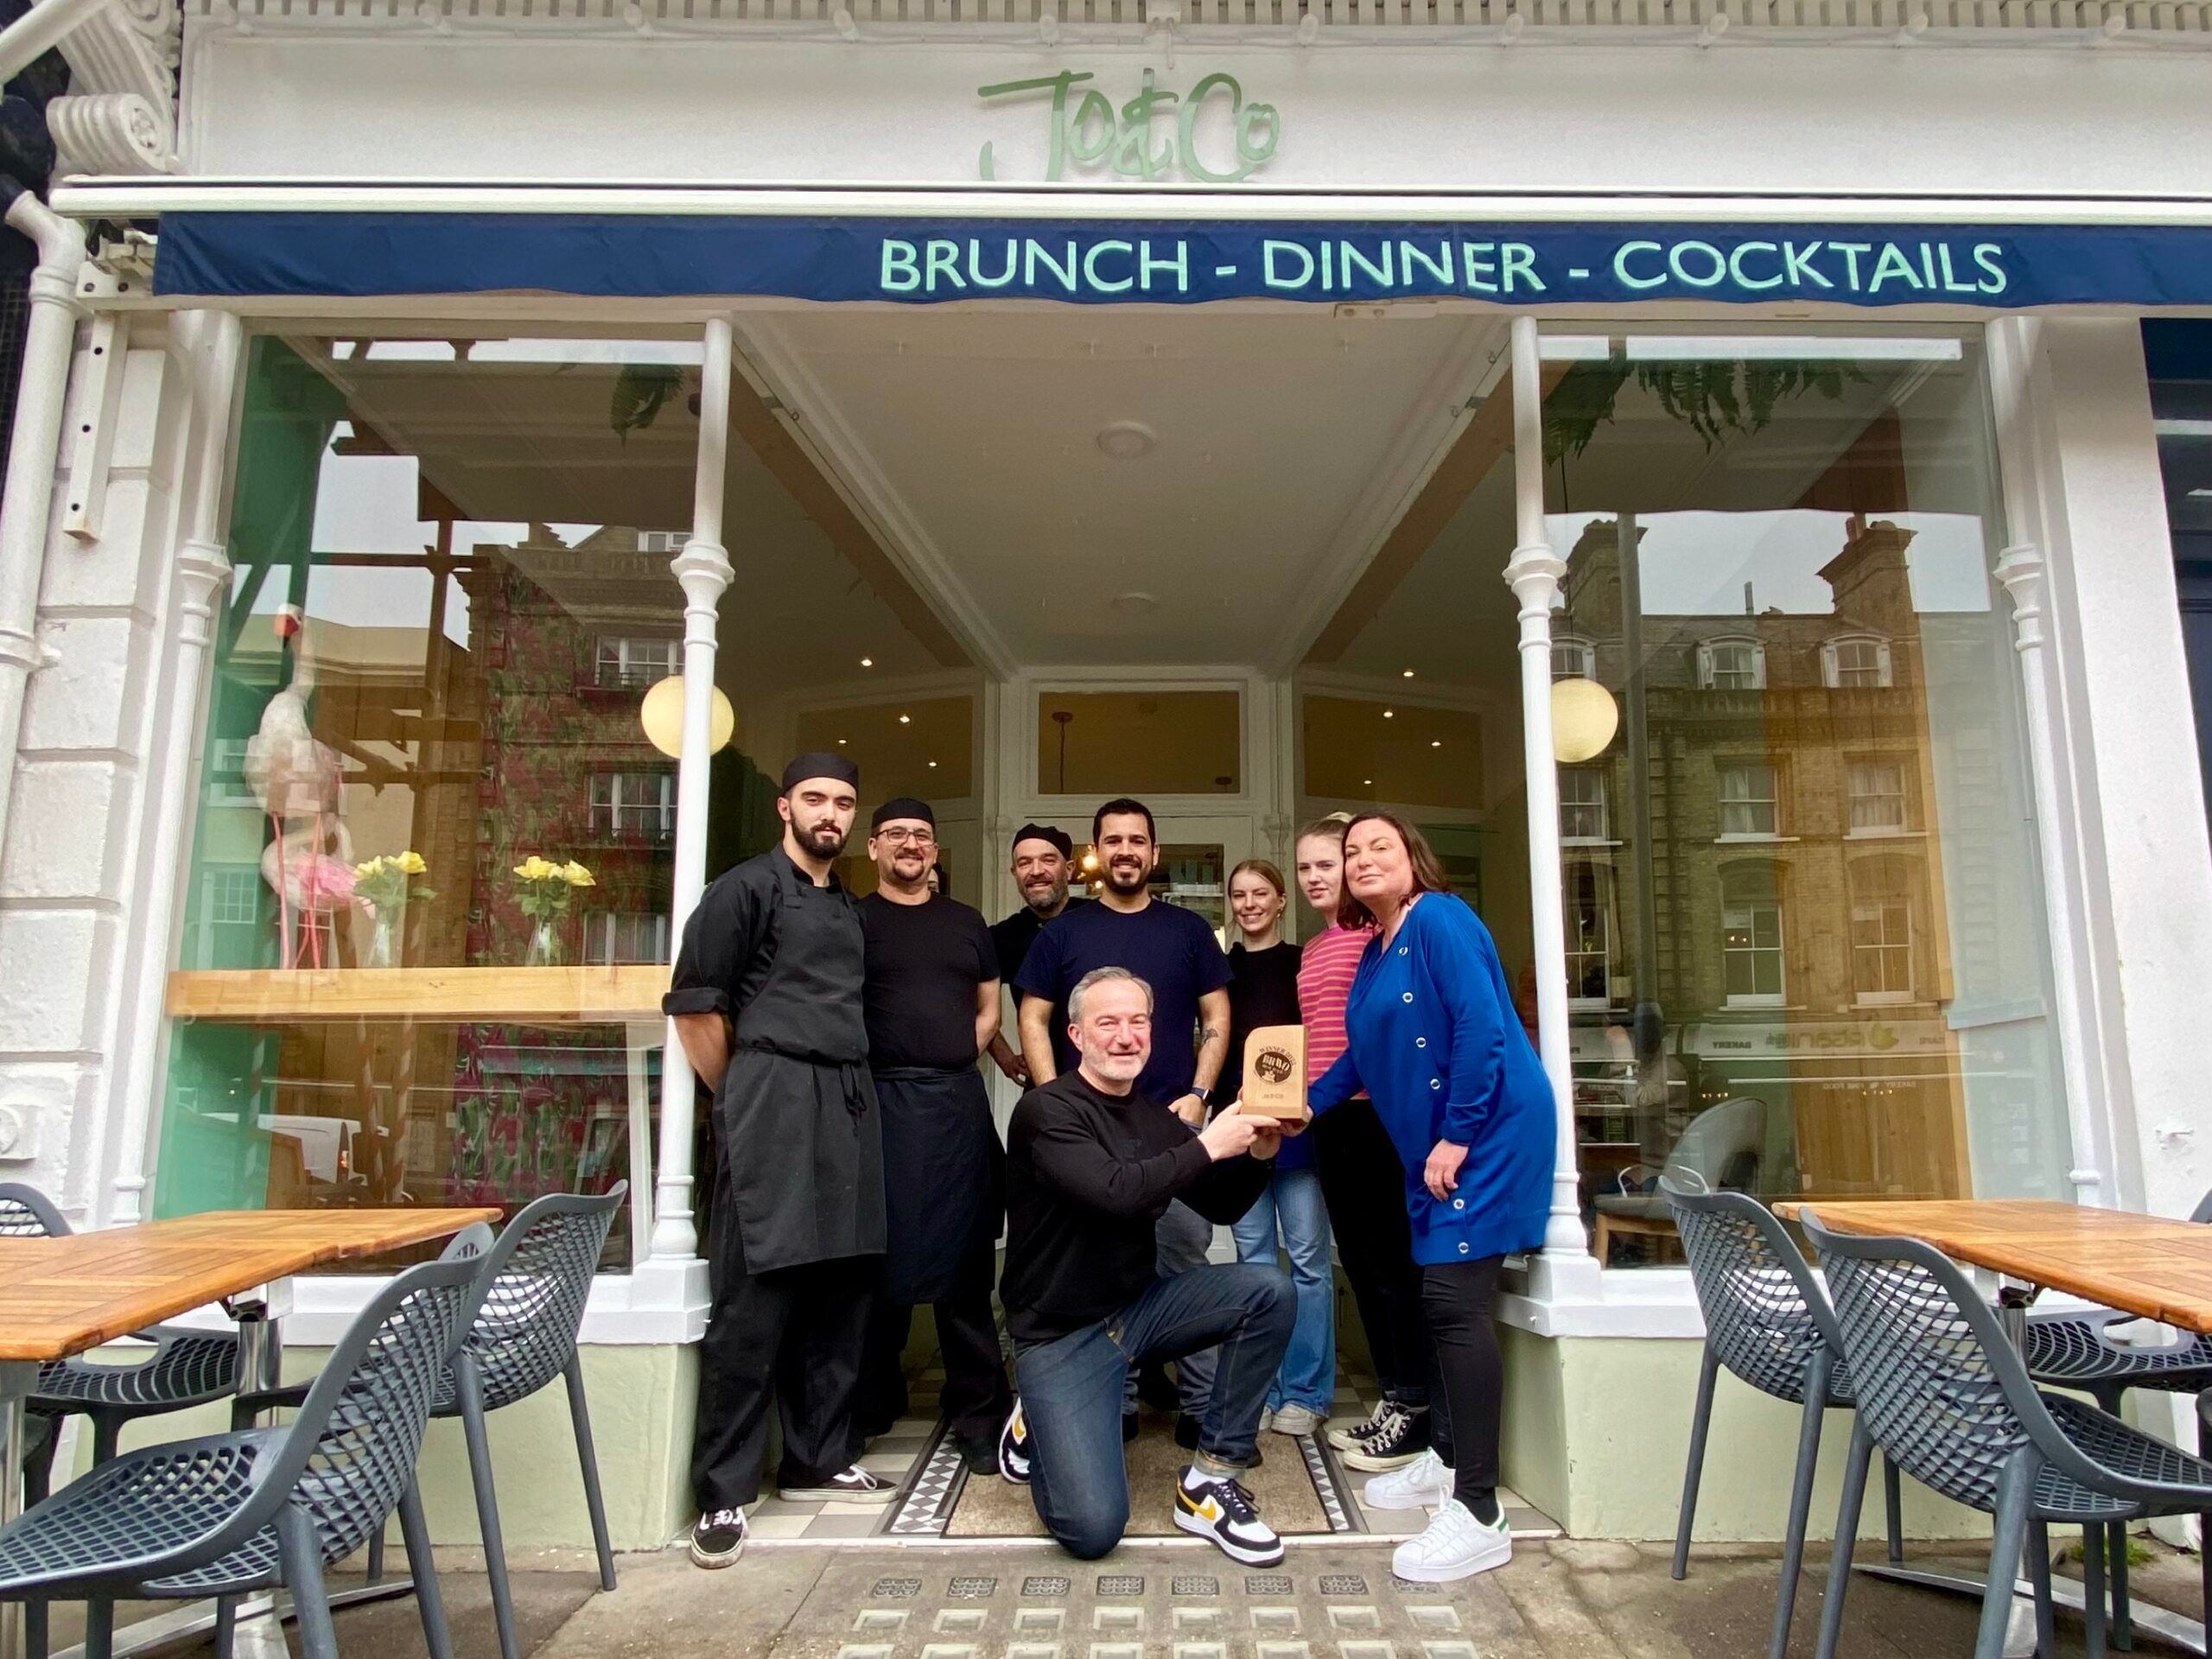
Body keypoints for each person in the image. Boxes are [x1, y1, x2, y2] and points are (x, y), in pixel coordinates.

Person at [1307, 812, 1554, 1584]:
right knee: (1433, 1300)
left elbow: (1482, 1025)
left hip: (1483, 1134)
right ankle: (1446, 1462)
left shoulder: (1440, 917)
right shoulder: (1377, 951)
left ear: (1414, 859)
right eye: (1353, 852)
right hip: (1436, 1148)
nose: (1363, 859)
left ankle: (1478, 1511)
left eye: (1381, 845)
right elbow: (1358, 1057)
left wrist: (1457, 1135)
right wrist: (1297, 1109)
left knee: (1452, 1305)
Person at [664, 752, 894, 1572]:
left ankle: (815, 1457)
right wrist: (747, 1093)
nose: (829, 813)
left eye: (842, 802)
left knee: (842, 1285)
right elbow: (696, 1008)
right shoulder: (742, 890)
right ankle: (722, 1493)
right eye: (815, 800)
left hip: (848, 1101)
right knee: (757, 1297)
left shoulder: (851, 907)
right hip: (773, 1096)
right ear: (783, 808)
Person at [995, 966, 1296, 1565]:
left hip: (1135, 1313)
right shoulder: (1046, 1112)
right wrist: (1208, 1142)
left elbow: (1220, 1200)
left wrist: (1260, 1150)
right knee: (1092, 1529)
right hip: (1058, 1337)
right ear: (1076, 1035)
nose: (1126, 1035)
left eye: (1139, 1022)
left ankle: (1211, 1482)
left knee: (1270, 1291)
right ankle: (1038, 1414)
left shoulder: (1155, 1118)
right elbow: (1116, 1192)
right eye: (1108, 1023)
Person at [1015, 798, 1234, 1441]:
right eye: (1113, 841)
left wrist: (1200, 1092)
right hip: (1092, 1130)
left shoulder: (1189, 931)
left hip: (1173, 1121)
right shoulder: (1063, 934)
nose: (1126, 851)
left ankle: (1198, 1405)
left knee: (1184, 1261)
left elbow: (1216, 1018)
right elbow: (1032, 1018)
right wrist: (1059, 1099)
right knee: (1104, 1268)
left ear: (1154, 853)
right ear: (1096, 854)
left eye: (1137, 840)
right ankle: (1118, 1403)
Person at [853, 797, 1012, 1472]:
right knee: (872, 1258)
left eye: (922, 836)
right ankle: (868, 1401)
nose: (910, 845)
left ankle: (978, 1412)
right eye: (896, 835)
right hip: (877, 1104)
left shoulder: (966, 922)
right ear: (874, 849)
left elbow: (988, 1002)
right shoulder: (851, 921)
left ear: (935, 851)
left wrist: (958, 1051)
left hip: (954, 1104)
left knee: (963, 1264)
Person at [1296, 816, 1434, 1474]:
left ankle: (1415, 1405)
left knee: (1392, 1267)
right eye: (1309, 868)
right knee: (1360, 1263)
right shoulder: (1316, 949)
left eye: (1331, 863)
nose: (1320, 877)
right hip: (1329, 1120)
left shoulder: (1379, 938)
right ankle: (1395, 1398)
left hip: (1377, 1115)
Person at [1221, 859, 1335, 1439]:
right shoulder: (1220, 970)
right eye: (1238, 895)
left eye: (1260, 893)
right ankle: (1260, 1389)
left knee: (1310, 1263)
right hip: (1243, 1131)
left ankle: (1307, 1391)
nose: (1249, 904)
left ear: (1281, 900)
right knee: (1255, 1266)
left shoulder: (1303, 963)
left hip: (1296, 1131)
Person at [985, 823, 1088, 1088]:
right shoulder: (1003, 937)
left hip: (1105, 1078)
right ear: (1014, 873)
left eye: (1048, 860)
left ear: (1069, 868)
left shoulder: (1097, 920)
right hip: (1043, 1083)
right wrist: (1004, 1056)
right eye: (1024, 863)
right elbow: (969, 1000)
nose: (1036, 871)